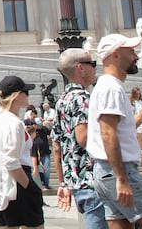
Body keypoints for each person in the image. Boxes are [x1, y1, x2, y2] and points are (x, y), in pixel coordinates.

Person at [88, 33, 142, 225]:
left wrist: (141, 116)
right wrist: (121, 178)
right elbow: (108, 133)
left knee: (119, 224)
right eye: (130, 52)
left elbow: (118, 130)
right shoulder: (112, 88)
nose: (136, 56)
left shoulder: (105, 86)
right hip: (118, 171)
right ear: (115, 55)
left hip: (105, 171)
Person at [0, 76, 43, 229]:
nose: (28, 96)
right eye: (26, 92)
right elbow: (10, 161)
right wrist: (30, 187)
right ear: (18, 95)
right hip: (14, 181)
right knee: (34, 225)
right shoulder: (13, 123)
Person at [52, 46, 109, 229]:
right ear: (80, 68)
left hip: (76, 181)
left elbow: (56, 145)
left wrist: (63, 182)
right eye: (91, 64)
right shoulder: (82, 98)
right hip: (92, 178)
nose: (95, 68)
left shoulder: (62, 99)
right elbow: (83, 137)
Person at [30, 118, 53, 190]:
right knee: (38, 170)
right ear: (34, 125)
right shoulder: (33, 132)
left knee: (47, 169)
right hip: (36, 153)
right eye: (38, 125)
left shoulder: (44, 129)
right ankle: (41, 184)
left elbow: (51, 134)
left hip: (45, 152)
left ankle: (46, 184)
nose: (40, 126)